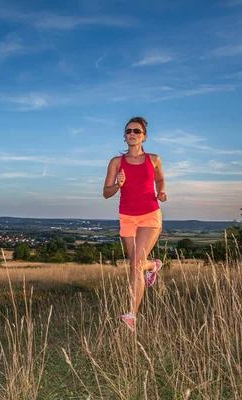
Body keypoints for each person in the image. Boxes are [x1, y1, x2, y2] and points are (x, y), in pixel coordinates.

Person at [103, 116, 167, 331]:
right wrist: (119, 184)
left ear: (144, 137)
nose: (132, 134)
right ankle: (154, 265)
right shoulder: (116, 162)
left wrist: (161, 191)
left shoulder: (154, 159)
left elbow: (159, 179)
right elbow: (106, 193)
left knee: (135, 264)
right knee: (135, 265)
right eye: (128, 131)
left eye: (136, 131)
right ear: (125, 136)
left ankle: (131, 316)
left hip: (150, 214)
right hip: (127, 217)